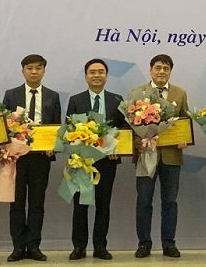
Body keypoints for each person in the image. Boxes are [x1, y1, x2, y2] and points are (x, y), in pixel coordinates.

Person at [2, 54, 61, 262]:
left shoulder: (53, 96)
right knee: (16, 203)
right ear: (23, 71)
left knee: (37, 203)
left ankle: (34, 246)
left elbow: (56, 127)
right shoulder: (11, 95)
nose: (34, 72)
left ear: (44, 70)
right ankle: (18, 247)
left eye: (38, 68)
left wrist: (53, 147)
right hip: (17, 158)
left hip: (41, 159)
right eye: (29, 68)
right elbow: (4, 126)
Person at [67, 59, 127, 261]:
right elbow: (68, 131)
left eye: (101, 72)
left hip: (107, 161)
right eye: (92, 72)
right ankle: (79, 246)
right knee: (80, 205)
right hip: (82, 162)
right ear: (86, 76)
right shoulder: (76, 100)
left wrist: (118, 149)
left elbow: (123, 130)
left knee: (103, 204)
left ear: (106, 76)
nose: (96, 75)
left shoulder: (116, 100)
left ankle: (100, 246)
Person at [130, 54, 189, 258]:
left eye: (166, 68)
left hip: (171, 156)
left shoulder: (180, 93)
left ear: (170, 71)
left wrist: (185, 139)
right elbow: (130, 127)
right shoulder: (137, 93)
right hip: (146, 154)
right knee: (144, 201)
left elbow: (184, 121)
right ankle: (144, 243)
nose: (161, 71)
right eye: (158, 67)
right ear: (150, 70)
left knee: (170, 202)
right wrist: (138, 143)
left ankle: (168, 244)